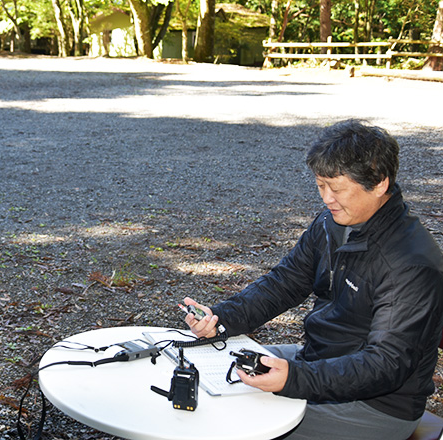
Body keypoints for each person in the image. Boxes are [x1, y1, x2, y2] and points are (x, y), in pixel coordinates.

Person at [183, 120, 443, 440]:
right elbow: (285, 282)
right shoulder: (332, 223)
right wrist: (222, 318)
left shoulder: (410, 264)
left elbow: (385, 365)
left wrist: (293, 379)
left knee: (231, 418)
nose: (326, 198)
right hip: (317, 360)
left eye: (336, 188)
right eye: (321, 185)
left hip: (375, 405)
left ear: (378, 184)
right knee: (204, 366)